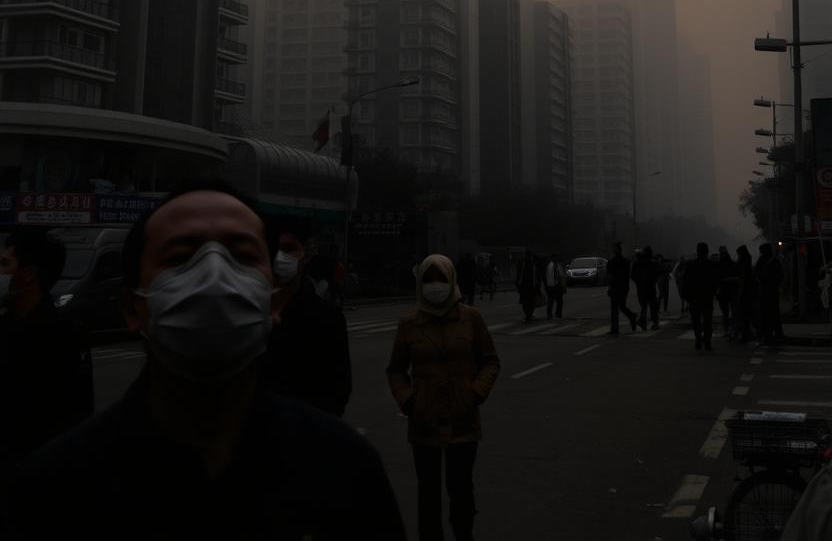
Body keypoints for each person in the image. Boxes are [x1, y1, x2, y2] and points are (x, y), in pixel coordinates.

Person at [2, 184, 405, 541]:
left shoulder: (345, 470)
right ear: (132, 306)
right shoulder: (53, 489)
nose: (214, 274)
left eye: (241, 256)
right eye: (181, 256)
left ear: (274, 302)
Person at [387, 254, 500, 541]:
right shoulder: (409, 323)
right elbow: (396, 371)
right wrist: (410, 401)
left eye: (440, 279)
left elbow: (490, 361)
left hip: (463, 422)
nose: (435, 285)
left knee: (461, 491)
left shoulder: (471, 318)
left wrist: (475, 393)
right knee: (428, 495)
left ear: (451, 280)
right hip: (424, 424)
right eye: (428, 279)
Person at [0, 226, 94, 479]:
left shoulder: (62, 333)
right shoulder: (7, 324)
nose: (1, 271)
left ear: (28, 273)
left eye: (4, 263)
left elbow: (76, 416)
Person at [266, 219, 352, 417]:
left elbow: (338, 389)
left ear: (305, 255)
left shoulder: (328, 318)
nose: (281, 257)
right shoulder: (248, 312)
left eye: (289, 249)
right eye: (275, 249)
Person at [682, 241, 720, 351]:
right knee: (707, 320)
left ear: (697, 252)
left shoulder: (690, 265)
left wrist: (686, 296)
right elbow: (715, 281)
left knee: (696, 320)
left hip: (694, 297)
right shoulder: (712, 265)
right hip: (707, 297)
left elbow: (686, 281)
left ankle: (698, 339)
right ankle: (707, 341)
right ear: (707, 252)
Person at [756, 241, 785, 345]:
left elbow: (756, 273)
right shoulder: (775, 261)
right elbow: (780, 276)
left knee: (766, 315)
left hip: (766, 292)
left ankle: (768, 336)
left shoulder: (763, 260)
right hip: (772, 292)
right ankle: (777, 335)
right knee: (774, 315)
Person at [607, 241, 638, 334]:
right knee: (621, 306)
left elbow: (610, 276)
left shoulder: (613, 262)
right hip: (623, 287)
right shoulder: (625, 261)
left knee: (615, 308)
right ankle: (631, 317)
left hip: (617, 287)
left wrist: (610, 287)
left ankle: (615, 328)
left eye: (614, 249)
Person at [631, 244, 660, 330]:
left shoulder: (638, 262)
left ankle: (643, 322)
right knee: (652, 305)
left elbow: (633, 275)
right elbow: (659, 271)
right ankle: (654, 322)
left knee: (644, 306)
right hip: (650, 286)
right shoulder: (652, 262)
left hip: (642, 287)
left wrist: (638, 282)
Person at [735, 244, 759, 343]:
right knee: (750, 314)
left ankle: (747, 334)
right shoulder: (747, 262)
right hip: (749, 292)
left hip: (745, 293)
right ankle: (751, 333)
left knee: (745, 314)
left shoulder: (743, 264)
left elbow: (743, 279)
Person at [716, 246, 738, 336]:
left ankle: (727, 329)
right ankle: (733, 328)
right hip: (732, 291)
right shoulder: (733, 264)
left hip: (723, 292)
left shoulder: (718, 266)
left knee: (725, 312)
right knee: (733, 311)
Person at [517, 248, 542, 322]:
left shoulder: (522, 263)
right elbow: (536, 276)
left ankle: (528, 315)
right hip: (531, 286)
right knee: (531, 302)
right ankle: (529, 315)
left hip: (523, 286)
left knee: (525, 302)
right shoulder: (533, 263)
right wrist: (538, 286)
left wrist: (518, 285)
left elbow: (518, 275)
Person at [544, 252, 566, 319]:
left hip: (557, 285)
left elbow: (562, 276)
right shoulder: (550, 265)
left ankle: (557, 314)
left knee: (559, 301)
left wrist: (563, 286)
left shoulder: (558, 265)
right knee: (552, 301)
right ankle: (550, 314)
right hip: (551, 285)